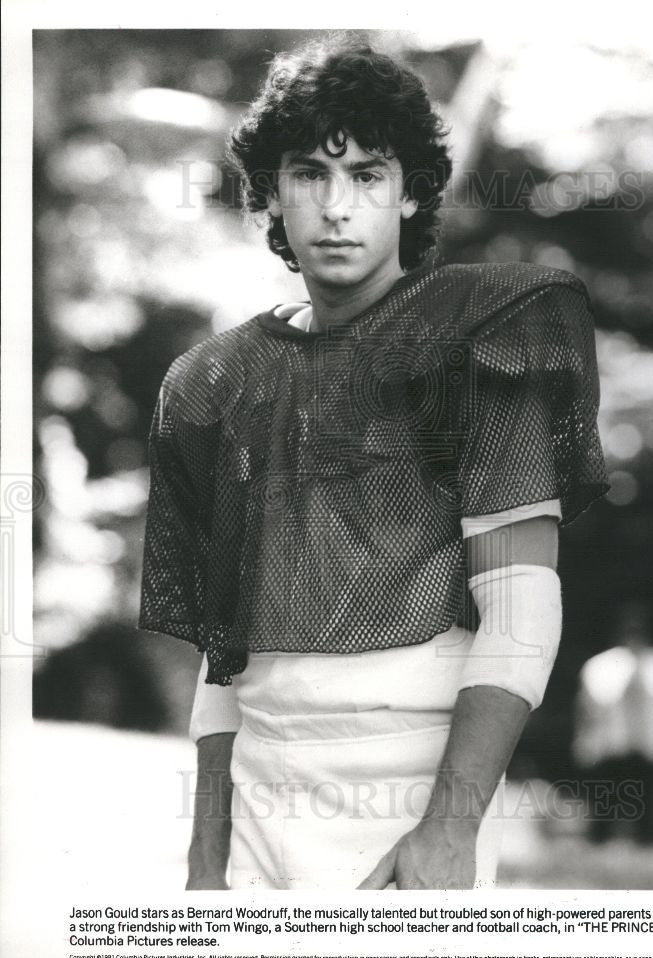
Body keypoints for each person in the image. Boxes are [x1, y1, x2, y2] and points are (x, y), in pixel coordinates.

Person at [139, 35, 609, 890]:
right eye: (309, 175)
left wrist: (449, 827)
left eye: (366, 175)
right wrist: (205, 857)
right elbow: (223, 651)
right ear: (270, 196)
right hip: (258, 800)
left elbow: (521, 612)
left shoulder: (479, 336)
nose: (335, 206)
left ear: (410, 193)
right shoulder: (214, 380)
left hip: (412, 791)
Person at [572, 601, 653, 844]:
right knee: (603, 814)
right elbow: (585, 715)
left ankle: (648, 854)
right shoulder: (598, 668)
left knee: (651, 815)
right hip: (610, 752)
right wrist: (585, 747)